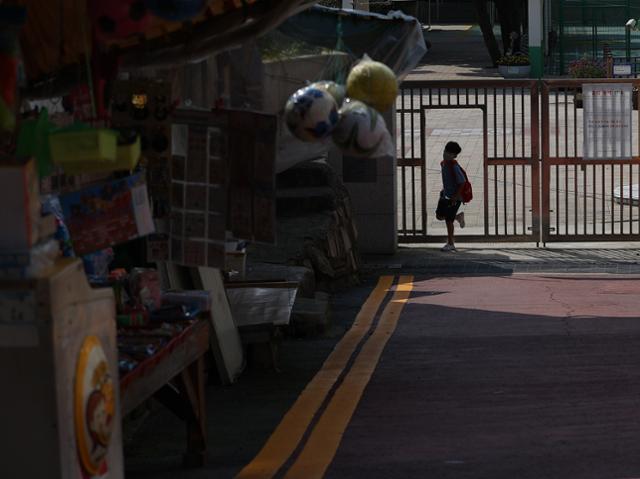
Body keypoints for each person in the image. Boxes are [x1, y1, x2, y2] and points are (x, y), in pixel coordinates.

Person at [436, 141, 466, 252]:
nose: (446, 154)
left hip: (454, 198)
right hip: (446, 196)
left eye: (450, 153)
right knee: (439, 216)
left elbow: (462, 182)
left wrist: (455, 196)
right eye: (446, 151)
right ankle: (458, 217)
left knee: (449, 221)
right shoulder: (443, 164)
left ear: (454, 155)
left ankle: (450, 243)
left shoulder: (454, 166)